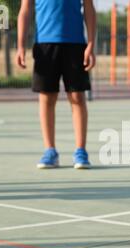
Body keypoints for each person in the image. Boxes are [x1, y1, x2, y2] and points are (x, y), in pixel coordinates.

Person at [16, 0, 96, 169]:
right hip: (45, 43)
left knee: (77, 96)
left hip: (75, 44)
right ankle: (50, 151)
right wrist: (20, 45)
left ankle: (80, 150)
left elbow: (89, 8)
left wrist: (90, 44)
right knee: (47, 97)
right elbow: (25, 9)